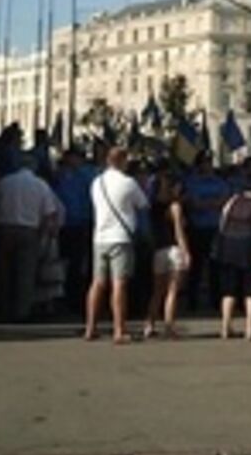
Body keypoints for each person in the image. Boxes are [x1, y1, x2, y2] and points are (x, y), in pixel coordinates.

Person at [0, 155, 61, 322]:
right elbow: (49, 212)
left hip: (5, 228)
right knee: (26, 273)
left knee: (4, 271)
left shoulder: (4, 182)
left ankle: (3, 308)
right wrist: (45, 233)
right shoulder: (41, 185)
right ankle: (22, 311)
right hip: (29, 230)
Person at [86, 147, 149, 344]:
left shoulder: (97, 183)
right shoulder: (128, 183)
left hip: (100, 236)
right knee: (119, 283)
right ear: (122, 161)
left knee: (97, 282)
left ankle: (90, 327)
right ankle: (119, 330)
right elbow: (143, 204)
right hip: (121, 237)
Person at [215, 170, 251, 340]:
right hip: (250, 248)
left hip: (229, 248)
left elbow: (221, 225)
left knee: (229, 290)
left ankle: (225, 326)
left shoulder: (232, 201)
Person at [144, 170, 190, 339]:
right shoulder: (175, 207)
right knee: (172, 290)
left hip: (159, 249)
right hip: (174, 249)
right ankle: (169, 325)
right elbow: (179, 231)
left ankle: (149, 324)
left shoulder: (154, 206)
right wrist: (186, 251)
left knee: (157, 291)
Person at [53, 149, 96, 314]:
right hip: (67, 224)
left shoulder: (83, 176)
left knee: (76, 263)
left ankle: (75, 297)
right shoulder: (61, 177)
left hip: (80, 223)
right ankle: (68, 296)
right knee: (67, 262)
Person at [183, 154, 229, 311]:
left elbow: (224, 201)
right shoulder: (192, 182)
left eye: (210, 162)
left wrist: (207, 203)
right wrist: (211, 203)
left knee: (215, 265)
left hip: (215, 227)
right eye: (205, 162)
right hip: (197, 228)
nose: (208, 165)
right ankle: (192, 301)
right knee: (196, 266)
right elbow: (194, 204)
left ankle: (216, 301)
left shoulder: (219, 182)